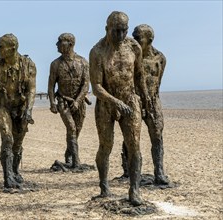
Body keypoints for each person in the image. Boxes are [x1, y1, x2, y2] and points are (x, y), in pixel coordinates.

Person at [89, 11, 151, 206]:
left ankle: (135, 190)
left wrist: (145, 98)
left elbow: (139, 75)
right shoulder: (97, 51)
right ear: (107, 29)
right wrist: (116, 103)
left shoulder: (134, 47)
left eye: (124, 30)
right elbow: (97, 87)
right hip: (107, 103)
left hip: (130, 100)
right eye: (116, 31)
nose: (121, 35)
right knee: (106, 146)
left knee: (134, 146)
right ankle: (104, 186)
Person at [120, 24, 169, 185]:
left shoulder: (160, 58)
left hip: (153, 101)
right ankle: (128, 170)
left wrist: (152, 100)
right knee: (131, 136)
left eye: (138, 37)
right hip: (134, 100)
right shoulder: (130, 56)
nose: (135, 40)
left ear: (150, 39)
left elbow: (158, 82)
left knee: (157, 135)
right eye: (133, 36)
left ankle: (159, 172)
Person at [0, 34, 36, 189]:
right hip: (4, 107)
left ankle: (15, 171)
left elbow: (31, 89)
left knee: (18, 142)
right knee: (7, 138)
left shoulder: (28, 65)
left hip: (21, 107)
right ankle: (7, 177)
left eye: (1, 46)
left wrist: (28, 110)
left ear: (13, 48)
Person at [48, 33, 90, 169]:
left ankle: (69, 156)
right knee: (71, 128)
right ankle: (76, 163)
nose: (57, 44)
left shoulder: (83, 62)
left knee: (77, 130)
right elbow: (51, 85)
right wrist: (52, 103)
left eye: (60, 42)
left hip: (80, 102)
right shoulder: (55, 64)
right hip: (63, 102)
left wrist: (78, 101)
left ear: (70, 44)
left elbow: (85, 85)